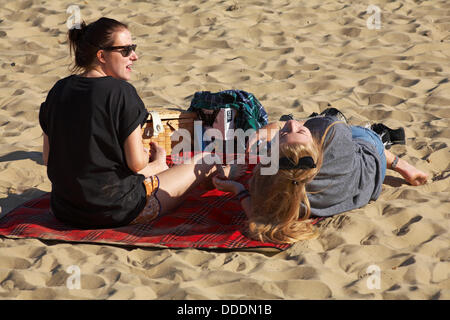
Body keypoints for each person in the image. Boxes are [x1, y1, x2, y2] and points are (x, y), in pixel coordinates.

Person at [39, 17, 244, 229]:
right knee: (207, 159)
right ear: (101, 56)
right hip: (118, 211)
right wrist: (154, 162)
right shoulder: (120, 93)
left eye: (133, 48)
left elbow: (48, 158)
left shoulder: (58, 91)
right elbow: (136, 164)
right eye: (126, 50)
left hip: (64, 210)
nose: (134, 56)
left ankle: (169, 169)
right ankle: (224, 174)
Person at [212, 112, 429, 244]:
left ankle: (401, 165)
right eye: (295, 130)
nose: (292, 124)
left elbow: (258, 217)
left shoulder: (282, 193)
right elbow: (318, 124)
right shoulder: (333, 135)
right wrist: (280, 129)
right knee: (359, 134)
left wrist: (236, 188)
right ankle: (401, 165)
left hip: (361, 184)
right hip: (373, 164)